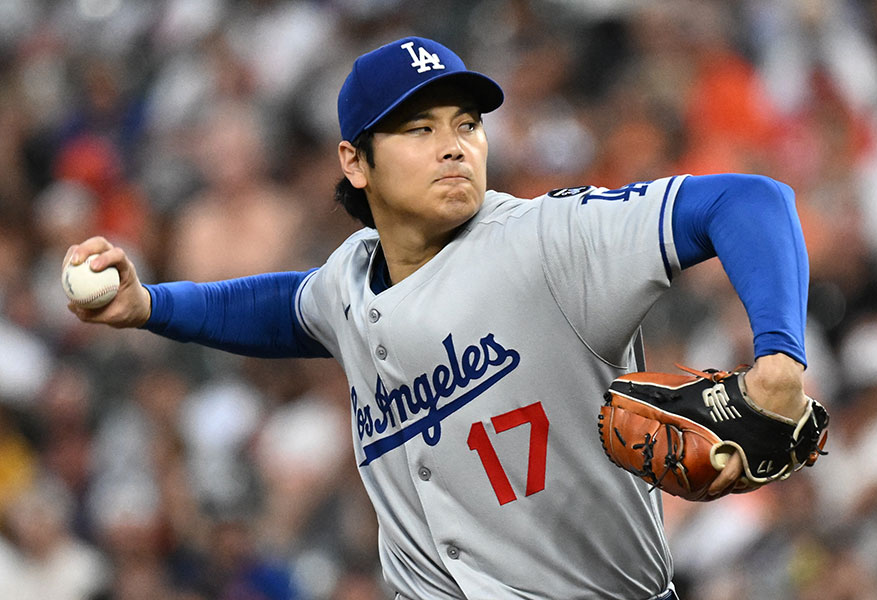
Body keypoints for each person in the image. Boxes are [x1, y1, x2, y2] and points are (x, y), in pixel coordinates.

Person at [66, 36, 812, 600]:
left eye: (465, 123)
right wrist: (148, 306)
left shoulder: (547, 240)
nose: (453, 144)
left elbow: (750, 202)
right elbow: (284, 309)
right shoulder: (350, 278)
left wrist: (778, 356)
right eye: (419, 130)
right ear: (355, 162)